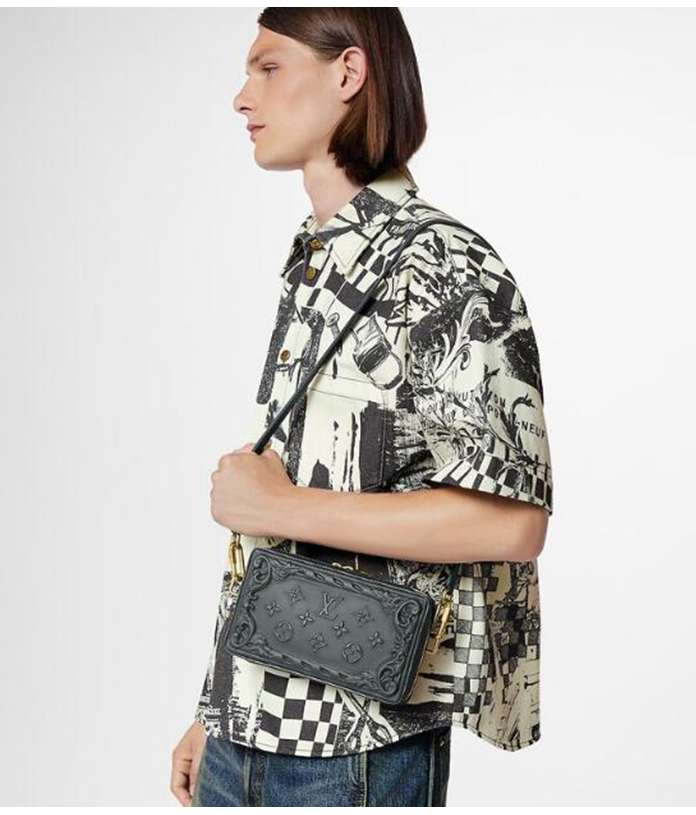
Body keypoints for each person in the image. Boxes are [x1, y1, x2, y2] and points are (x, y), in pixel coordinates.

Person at [170, 7, 553, 808]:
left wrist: (283, 505)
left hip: (356, 747)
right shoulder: (316, 256)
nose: (242, 97)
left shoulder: (444, 263)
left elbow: (512, 522)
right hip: (244, 733)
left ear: (347, 73)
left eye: (268, 67)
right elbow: (268, 533)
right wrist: (215, 705)